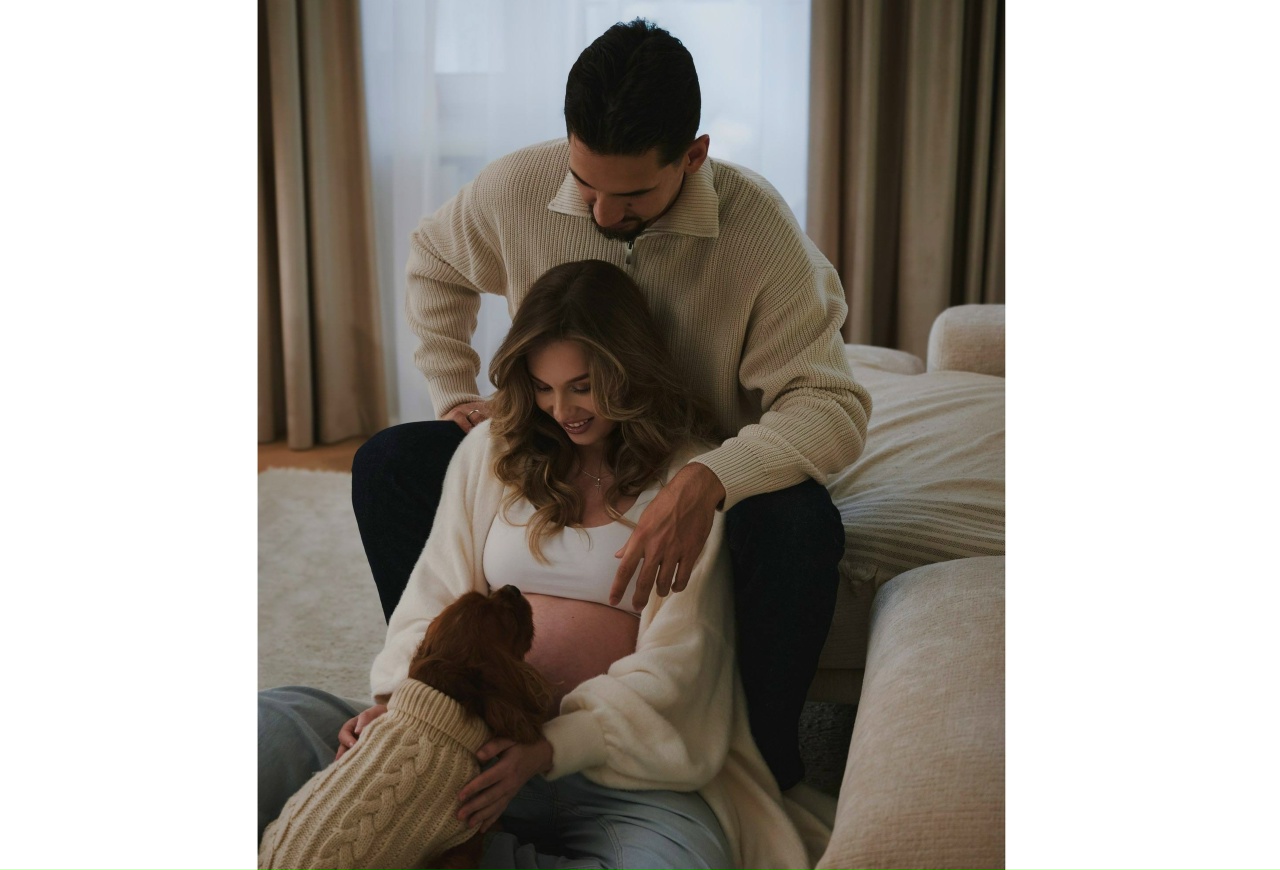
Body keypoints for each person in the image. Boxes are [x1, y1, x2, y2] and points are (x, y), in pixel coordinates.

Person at [352, 18, 872, 791]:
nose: (599, 214)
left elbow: (831, 404)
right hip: (556, 443)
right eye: (584, 184)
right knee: (389, 463)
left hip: (692, 466)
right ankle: (449, 699)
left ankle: (761, 758)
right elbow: (434, 258)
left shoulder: (759, 233)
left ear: (694, 156)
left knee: (798, 525)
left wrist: (711, 478)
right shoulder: (519, 186)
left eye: (630, 195)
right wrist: (454, 391)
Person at [260, 259, 823, 869]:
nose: (562, 409)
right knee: (268, 728)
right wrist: (403, 704)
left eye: (582, 386)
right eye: (543, 387)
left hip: (612, 775)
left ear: (630, 372)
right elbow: (434, 594)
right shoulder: (492, 450)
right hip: (456, 745)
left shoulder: (687, 483)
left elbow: (682, 666)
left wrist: (548, 748)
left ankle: (445, 852)